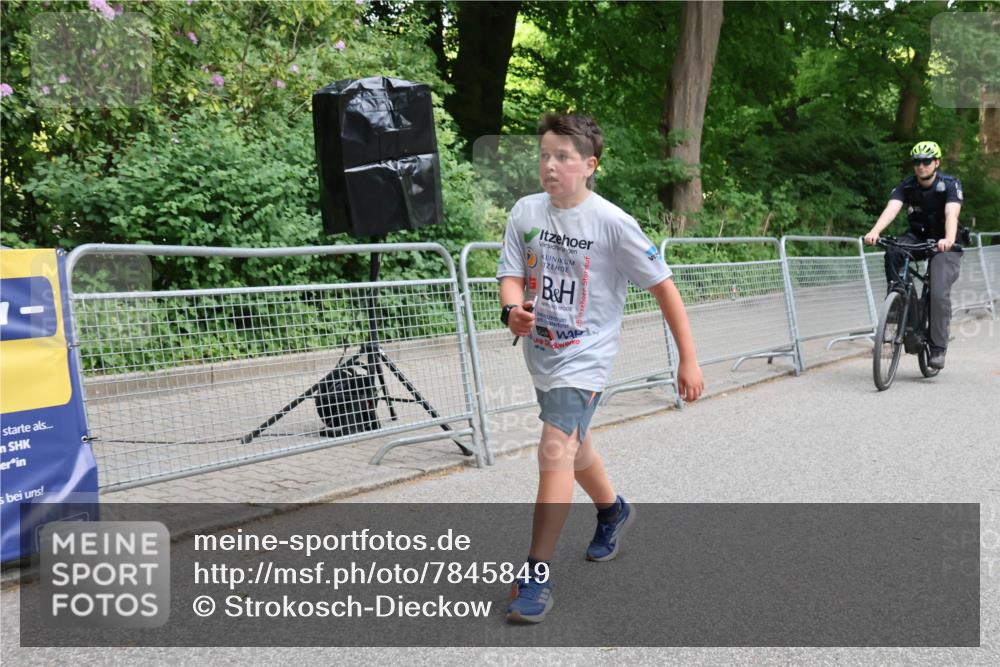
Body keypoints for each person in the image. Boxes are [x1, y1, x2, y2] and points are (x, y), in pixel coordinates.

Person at [496, 113, 704, 623]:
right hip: (542, 354)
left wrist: (689, 358)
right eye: (544, 155)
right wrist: (511, 310)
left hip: (586, 359)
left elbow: (664, 288)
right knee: (575, 446)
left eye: (563, 157)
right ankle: (613, 511)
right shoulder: (525, 212)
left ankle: (536, 576)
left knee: (553, 448)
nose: (550, 165)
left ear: (589, 165)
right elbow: (509, 275)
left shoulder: (612, 222)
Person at [864, 140, 964, 369]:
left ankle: (938, 349)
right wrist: (875, 231)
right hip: (918, 237)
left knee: (938, 294)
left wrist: (948, 239)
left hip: (944, 243)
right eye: (917, 162)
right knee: (893, 251)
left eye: (926, 161)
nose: (921, 166)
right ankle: (900, 303)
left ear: (936, 162)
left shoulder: (950, 184)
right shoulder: (908, 186)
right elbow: (892, 208)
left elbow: (952, 214)